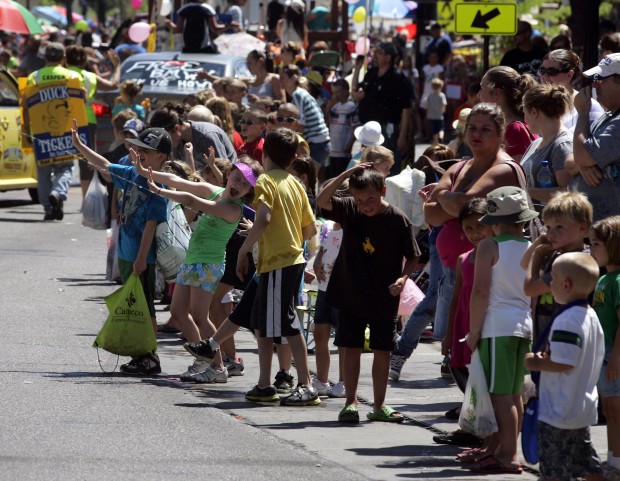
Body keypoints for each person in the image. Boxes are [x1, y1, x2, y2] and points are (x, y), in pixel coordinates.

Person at [390, 103, 520, 384]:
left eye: (485, 129)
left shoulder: (503, 168)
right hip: (456, 267)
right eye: (472, 128)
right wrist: (450, 202)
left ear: (500, 134)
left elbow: (463, 203)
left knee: (475, 334)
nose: (476, 134)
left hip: (489, 266)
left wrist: (448, 198)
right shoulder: (462, 165)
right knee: (457, 335)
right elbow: (432, 213)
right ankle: (470, 403)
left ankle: (478, 405)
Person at [135, 153, 261, 383]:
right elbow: (181, 182)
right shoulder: (214, 191)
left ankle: (219, 366)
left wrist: (159, 191)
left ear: (249, 192)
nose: (239, 186)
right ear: (228, 174)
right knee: (178, 311)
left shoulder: (233, 209)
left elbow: (192, 201)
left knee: (201, 317)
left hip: (209, 265)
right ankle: (203, 360)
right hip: (193, 260)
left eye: (245, 185)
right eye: (237, 178)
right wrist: (145, 173)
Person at [316, 165, 420, 423]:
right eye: (359, 199)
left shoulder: (397, 219)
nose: (365, 204)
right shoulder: (349, 209)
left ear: (383, 191)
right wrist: (346, 172)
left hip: (383, 296)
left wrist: (403, 277)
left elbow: (413, 256)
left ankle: (379, 405)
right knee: (350, 348)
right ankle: (350, 401)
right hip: (349, 291)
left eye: (371, 198)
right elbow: (321, 199)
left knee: (381, 350)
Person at [71, 124, 170, 374]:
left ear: (163, 157)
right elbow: (105, 165)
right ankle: (140, 353)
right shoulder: (134, 173)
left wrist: (141, 259)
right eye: (140, 147)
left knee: (146, 308)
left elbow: (151, 224)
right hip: (126, 254)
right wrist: (81, 148)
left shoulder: (158, 185)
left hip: (140, 257)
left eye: (148, 150)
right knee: (135, 306)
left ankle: (150, 356)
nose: (141, 152)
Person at [233, 128, 318, 405]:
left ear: (264, 153)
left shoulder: (267, 181)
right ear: (294, 157)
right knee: (265, 325)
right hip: (287, 261)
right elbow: (309, 229)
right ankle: (264, 384)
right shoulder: (295, 183)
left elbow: (264, 218)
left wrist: (244, 250)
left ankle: (306, 384)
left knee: (286, 323)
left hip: (279, 262)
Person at [465, 186, 536, 475]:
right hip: (523, 325)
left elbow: (481, 292)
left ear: (494, 221)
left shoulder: (489, 246)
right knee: (514, 394)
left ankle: (508, 455)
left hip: (497, 327)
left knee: (501, 396)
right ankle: (504, 450)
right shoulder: (531, 246)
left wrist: (473, 331)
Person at [525, 252, 604, 481]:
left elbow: (563, 362)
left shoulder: (566, 321)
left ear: (565, 284)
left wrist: (534, 361)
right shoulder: (590, 315)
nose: (549, 284)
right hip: (581, 407)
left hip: (559, 410)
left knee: (554, 468)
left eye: (552, 280)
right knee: (585, 461)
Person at [442, 199, 494, 416]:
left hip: (487, 322)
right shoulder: (463, 259)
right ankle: (471, 406)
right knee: (465, 366)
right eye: (469, 228)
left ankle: (483, 409)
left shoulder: (496, 255)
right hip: (465, 323)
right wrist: (448, 335)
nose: (475, 233)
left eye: (480, 226)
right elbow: (455, 300)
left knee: (486, 368)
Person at [25, 42, 84, 222]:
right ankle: (58, 192)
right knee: (65, 167)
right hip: (66, 131)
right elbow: (81, 102)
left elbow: (26, 105)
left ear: (45, 57)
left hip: (40, 130)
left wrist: (26, 128)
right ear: (63, 58)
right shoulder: (72, 76)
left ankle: (48, 208)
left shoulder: (33, 77)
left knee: (43, 171)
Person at [522, 191, 593, 340]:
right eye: (548, 227)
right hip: (549, 331)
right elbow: (524, 264)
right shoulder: (556, 253)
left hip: (566, 335)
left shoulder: (575, 261)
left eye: (559, 227)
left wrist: (538, 254)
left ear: (581, 228)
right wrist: (538, 243)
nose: (551, 234)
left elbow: (530, 289)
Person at [65, 45, 121, 199]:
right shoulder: (90, 77)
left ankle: (56, 191)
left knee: (58, 156)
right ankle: (85, 199)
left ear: (65, 59)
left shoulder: (62, 74)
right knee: (86, 158)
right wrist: (117, 66)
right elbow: (113, 84)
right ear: (84, 60)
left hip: (62, 118)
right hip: (86, 120)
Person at [571, 53, 620, 222]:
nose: (594, 84)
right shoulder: (608, 116)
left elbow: (580, 155)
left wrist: (583, 113)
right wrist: (583, 165)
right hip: (597, 229)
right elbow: (571, 161)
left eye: (601, 79)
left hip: (612, 233)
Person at [353, 42, 413, 174]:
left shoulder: (397, 77)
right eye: (374, 53)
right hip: (370, 128)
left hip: (388, 129)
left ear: (388, 57)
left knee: (387, 164)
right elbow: (356, 95)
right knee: (370, 165)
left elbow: (406, 108)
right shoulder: (372, 73)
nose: (375, 56)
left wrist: (402, 134)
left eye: (379, 53)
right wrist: (357, 69)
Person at [590, 216, 620, 480]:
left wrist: (615, 360)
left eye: (596, 244)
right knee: (610, 410)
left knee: (615, 410)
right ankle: (612, 459)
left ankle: (617, 463)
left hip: (614, 356)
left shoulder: (618, 281)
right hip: (604, 354)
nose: (591, 249)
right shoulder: (604, 279)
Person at [311, 186, 347, 398]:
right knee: (319, 333)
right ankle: (322, 380)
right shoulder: (329, 227)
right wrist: (316, 263)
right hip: (324, 288)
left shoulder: (352, 229)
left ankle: (343, 380)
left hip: (342, 290)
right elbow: (323, 249)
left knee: (343, 338)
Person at [520, 83, 574, 208]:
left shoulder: (562, 145)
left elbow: (567, 192)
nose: (525, 119)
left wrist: (523, 193)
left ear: (534, 112)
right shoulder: (536, 143)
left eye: (525, 113)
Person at [149, 104, 237, 170]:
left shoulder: (207, 136)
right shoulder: (177, 139)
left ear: (176, 128)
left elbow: (224, 171)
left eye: (164, 138)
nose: (164, 143)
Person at [478, 66, 538, 162]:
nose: (478, 94)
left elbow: (514, 172)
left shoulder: (516, 129)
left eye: (481, 88)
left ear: (496, 94)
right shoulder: (507, 125)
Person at [280, 64, 330, 176]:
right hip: (319, 143)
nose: (280, 80)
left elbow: (300, 124)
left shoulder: (297, 94)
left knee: (308, 181)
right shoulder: (300, 93)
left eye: (283, 77)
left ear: (292, 78)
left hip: (317, 144)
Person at [539, 49, 605, 134]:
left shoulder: (590, 106)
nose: (545, 76)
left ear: (569, 75)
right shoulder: (537, 104)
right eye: (542, 70)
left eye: (551, 71)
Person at [165, 0, 233, 54]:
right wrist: (229, 25)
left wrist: (169, 24)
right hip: (204, 48)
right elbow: (215, 28)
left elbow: (178, 29)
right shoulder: (207, 9)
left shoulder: (184, 9)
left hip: (188, 49)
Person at [325, 78, 359, 178]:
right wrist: (328, 108)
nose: (335, 95)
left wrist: (350, 144)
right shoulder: (334, 106)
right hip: (333, 150)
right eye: (333, 92)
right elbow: (327, 121)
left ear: (345, 91)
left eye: (338, 92)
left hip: (344, 151)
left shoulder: (351, 107)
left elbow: (355, 127)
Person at [426, 77, 447, 144]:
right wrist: (443, 111)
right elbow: (443, 104)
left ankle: (435, 142)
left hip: (431, 116)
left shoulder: (430, 95)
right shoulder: (442, 95)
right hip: (439, 116)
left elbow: (427, 105)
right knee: (441, 128)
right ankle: (441, 137)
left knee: (434, 130)